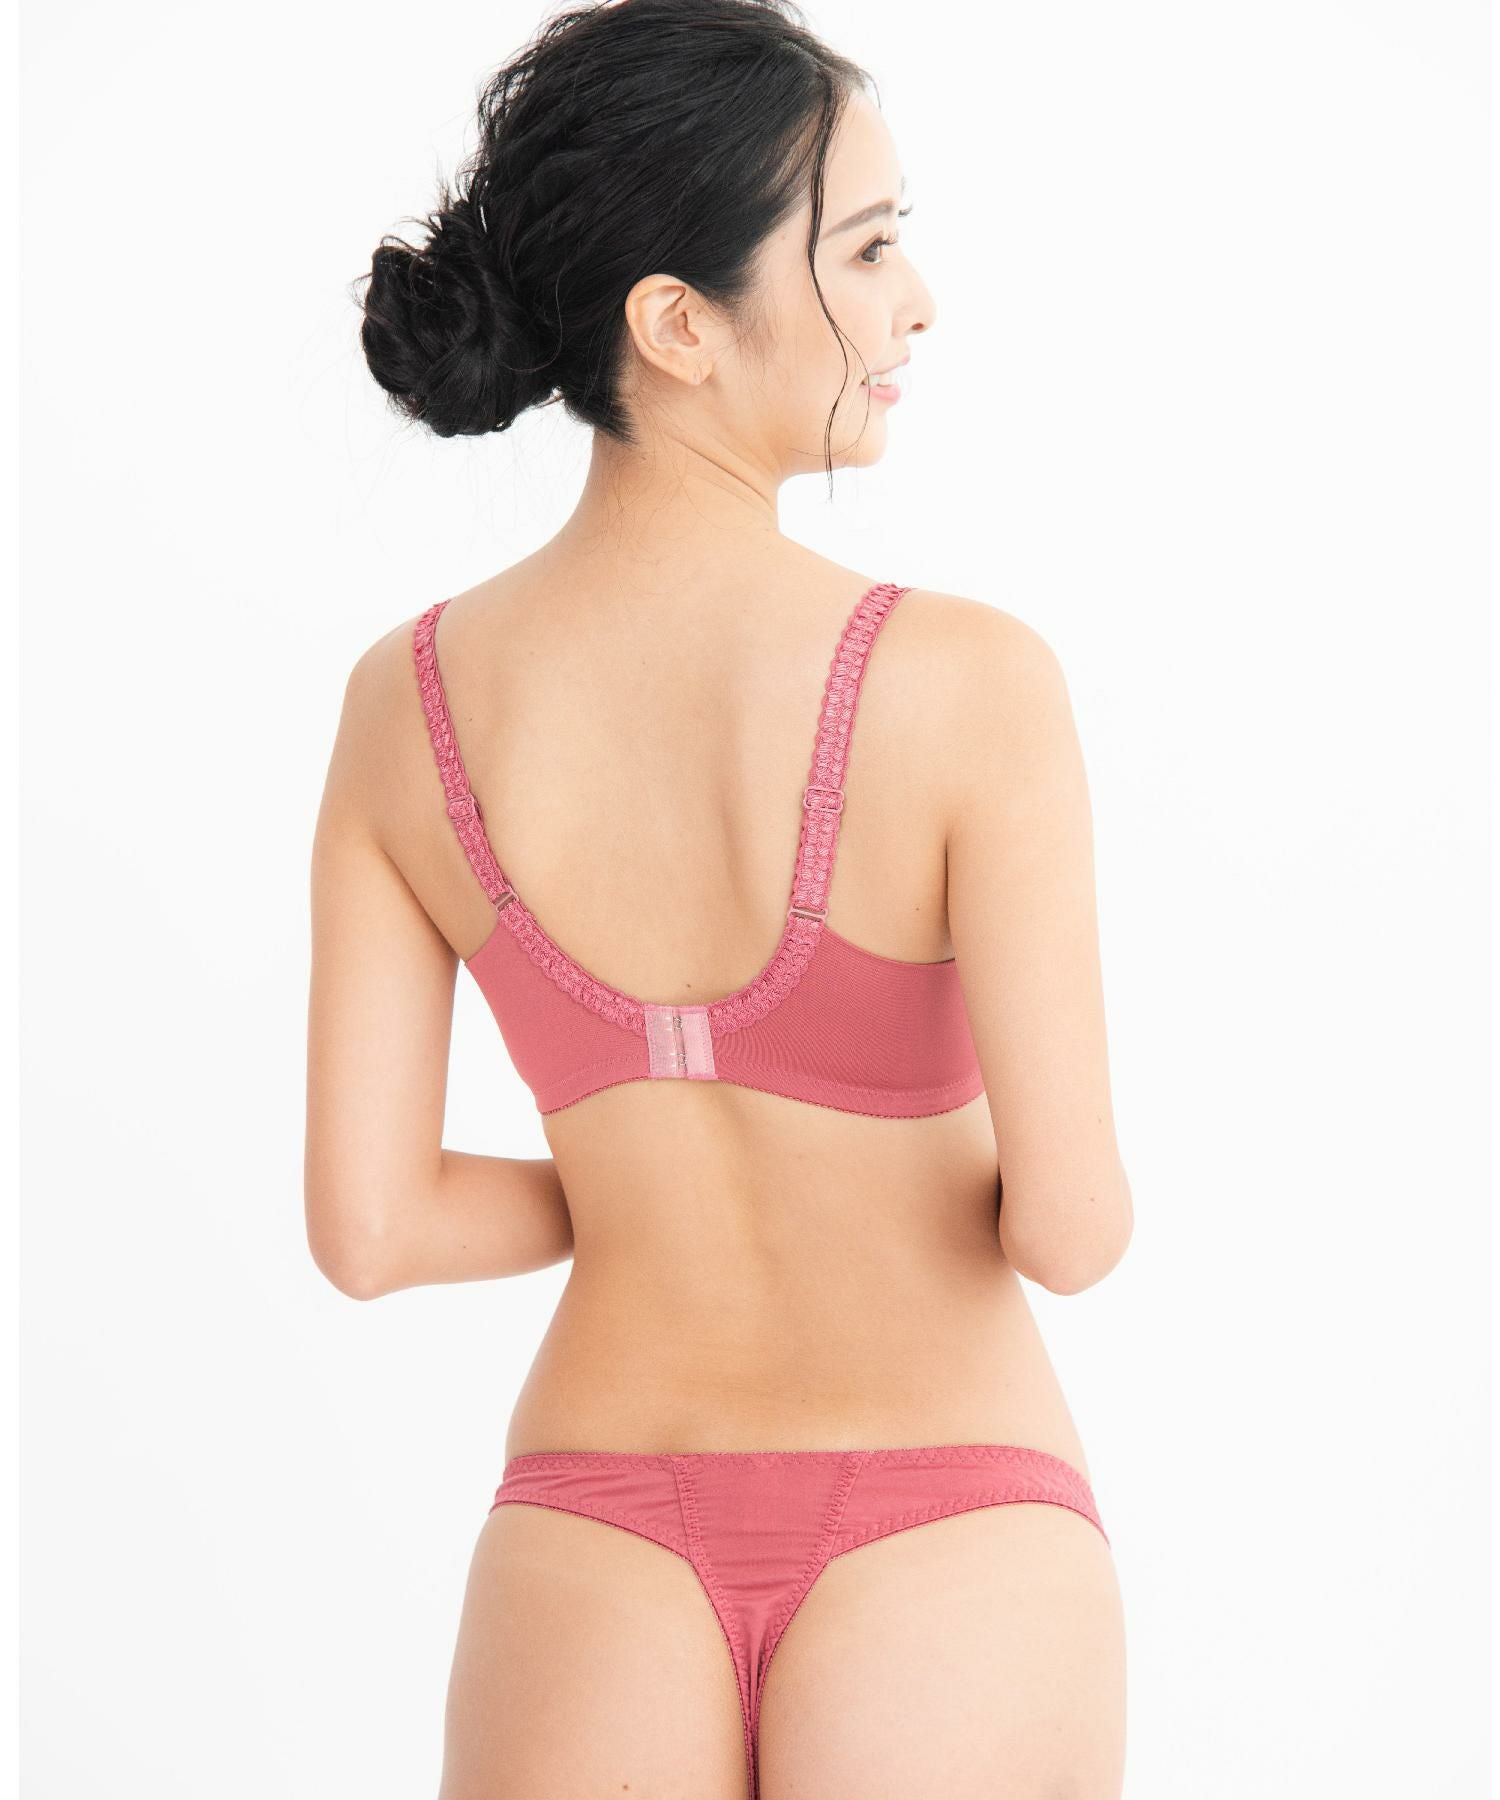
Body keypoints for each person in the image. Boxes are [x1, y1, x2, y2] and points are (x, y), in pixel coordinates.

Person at [305, 2, 1134, 1794]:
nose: (919, 303)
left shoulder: (406, 705)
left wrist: (637, 1178)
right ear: (677, 324)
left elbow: (370, 1228)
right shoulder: (968, 682)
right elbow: (1071, 1230)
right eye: (869, 248)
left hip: (587, 1532)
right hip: (950, 1518)